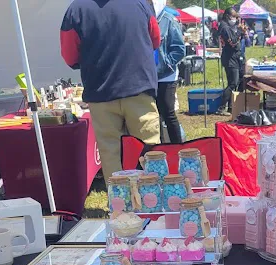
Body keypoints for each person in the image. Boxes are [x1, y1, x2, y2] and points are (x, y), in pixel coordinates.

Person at [61, 0, 161, 181]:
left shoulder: (76, 9)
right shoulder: (139, 3)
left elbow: (69, 56)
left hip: (101, 92)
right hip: (139, 87)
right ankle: (151, 194)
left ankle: (119, 197)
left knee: (110, 154)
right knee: (149, 150)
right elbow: (155, 40)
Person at [156, 5, 185, 144]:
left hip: (167, 76)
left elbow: (179, 50)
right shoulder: (140, 19)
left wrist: (165, 65)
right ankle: (159, 148)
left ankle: (177, 146)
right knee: (154, 116)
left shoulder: (169, 20)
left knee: (168, 113)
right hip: (148, 76)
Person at [219, 8, 244, 113]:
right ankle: (221, 107)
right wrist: (239, 31)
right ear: (228, 16)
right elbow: (233, 42)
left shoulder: (229, 27)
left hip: (235, 57)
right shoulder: (224, 27)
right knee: (233, 83)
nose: (235, 19)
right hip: (229, 58)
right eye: (234, 17)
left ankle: (231, 106)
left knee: (239, 80)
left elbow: (236, 38)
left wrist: (241, 31)